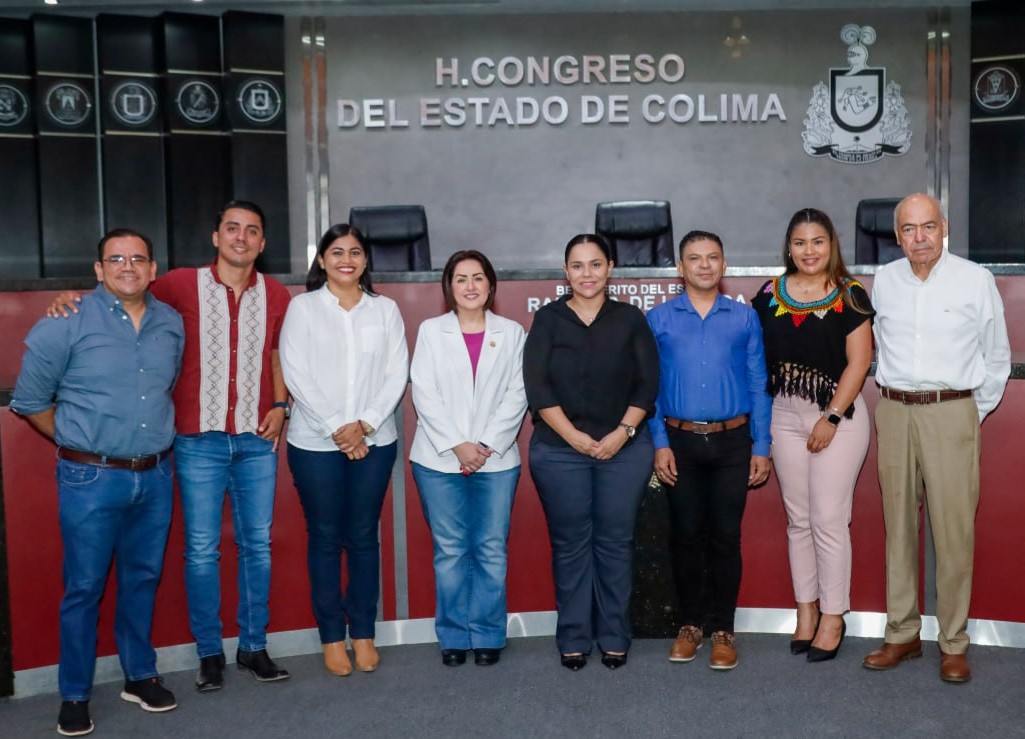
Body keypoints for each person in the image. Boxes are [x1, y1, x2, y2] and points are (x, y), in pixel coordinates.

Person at [50, 201, 293, 691]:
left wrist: (281, 404)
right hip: (197, 440)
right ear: (216, 237)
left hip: (255, 438)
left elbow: (275, 353)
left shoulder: (277, 293)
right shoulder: (180, 284)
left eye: (251, 231)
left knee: (258, 547)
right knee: (201, 550)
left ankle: (253, 647)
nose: (241, 237)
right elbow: (124, 293)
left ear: (263, 243)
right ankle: (210, 654)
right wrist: (71, 298)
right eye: (232, 228)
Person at [14, 229, 184, 736]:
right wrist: (78, 441)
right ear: (98, 269)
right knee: (84, 588)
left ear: (152, 269)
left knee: (143, 579)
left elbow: (166, 387)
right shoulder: (65, 321)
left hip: (155, 475)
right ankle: (75, 694)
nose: (127, 266)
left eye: (137, 258)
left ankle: (140, 676)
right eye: (116, 259)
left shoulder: (171, 323)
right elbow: (30, 400)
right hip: (90, 478)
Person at [863, 193, 1010, 683]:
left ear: (944, 227)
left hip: (952, 413)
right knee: (898, 528)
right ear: (897, 236)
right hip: (895, 411)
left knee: (953, 531)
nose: (920, 238)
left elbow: (996, 356)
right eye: (909, 229)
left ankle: (953, 642)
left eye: (928, 226)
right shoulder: (885, 280)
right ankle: (902, 634)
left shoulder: (974, 279)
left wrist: (968, 413)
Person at [523, 233, 659, 671]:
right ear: (566, 271)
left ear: (610, 268)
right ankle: (574, 637)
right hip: (560, 451)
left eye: (595, 264)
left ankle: (615, 636)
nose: (587, 274)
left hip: (624, 450)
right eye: (578, 266)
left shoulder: (630, 319)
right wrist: (574, 437)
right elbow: (538, 387)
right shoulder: (548, 320)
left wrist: (622, 432)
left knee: (615, 543)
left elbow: (647, 384)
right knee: (571, 545)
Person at [279, 223, 408, 676]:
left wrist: (365, 425)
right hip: (315, 444)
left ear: (366, 260)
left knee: (363, 536)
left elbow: (397, 372)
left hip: (375, 441)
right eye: (337, 252)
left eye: (355, 252)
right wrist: (339, 428)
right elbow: (295, 372)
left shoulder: (385, 310)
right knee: (325, 537)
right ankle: (332, 636)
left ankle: (364, 632)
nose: (346, 260)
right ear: (322, 260)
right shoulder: (303, 308)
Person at [752, 208, 874, 663]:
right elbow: (756, 358)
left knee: (828, 519)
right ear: (789, 247)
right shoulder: (769, 294)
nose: (809, 251)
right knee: (799, 520)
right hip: (783, 415)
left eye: (818, 242)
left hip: (838, 415)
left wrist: (831, 416)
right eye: (800, 243)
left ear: (831, 245)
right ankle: (806, 611)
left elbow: (859, 362)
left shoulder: (850, 293)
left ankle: (834, 615)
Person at [649, 231, 772, 671]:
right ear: (680, 268)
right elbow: (649, 390)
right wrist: (659, 443)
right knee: (685, 536)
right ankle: (690, 625)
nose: (704, 265)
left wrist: (762, 445)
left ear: (724, 264)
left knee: (724, 537)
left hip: (732, 442)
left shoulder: (744, 318)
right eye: (695, 258)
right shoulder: (658, 319)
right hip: (678, 441)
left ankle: (723, 629)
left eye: (713, 257)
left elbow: (758, 383)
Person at [409, 250, 528, 667]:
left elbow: (518, 393)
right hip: (438, 460)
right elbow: (423, 392)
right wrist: (458, 444)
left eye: (478, 278)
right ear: (450, 287)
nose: (470, 286)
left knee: (491, 549)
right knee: (451, 550)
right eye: (461, 279)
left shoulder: (512, 332)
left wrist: (486, 444)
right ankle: (454, 636)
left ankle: (489, 635)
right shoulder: (431, 331)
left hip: (496, 461)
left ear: (491, 285)